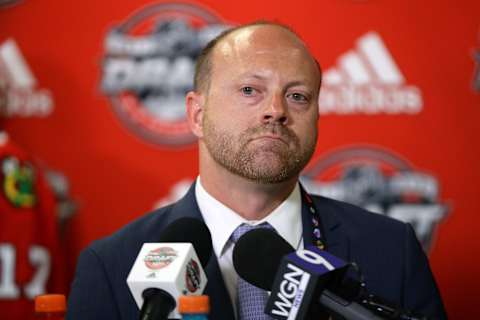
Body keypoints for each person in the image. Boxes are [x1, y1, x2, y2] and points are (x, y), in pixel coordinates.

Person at [66, 21, 447, 319]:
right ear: (197, 114)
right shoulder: (113, 265)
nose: (277, 110)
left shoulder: (390, 250)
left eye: (298, 96)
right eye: (250, 90)